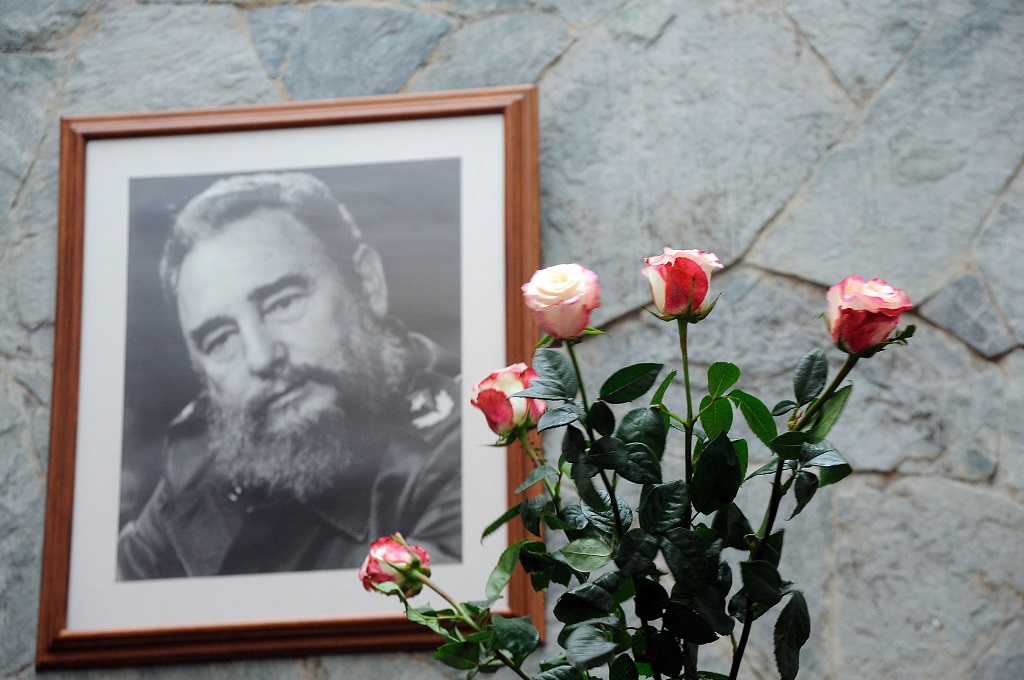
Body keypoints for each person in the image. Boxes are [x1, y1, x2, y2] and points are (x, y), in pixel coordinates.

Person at [117, 172, 462, 579]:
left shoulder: (462, 450)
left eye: (283, 303)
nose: (261, 357)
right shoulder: (199, 459)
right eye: (221, 339)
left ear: (368, 283)